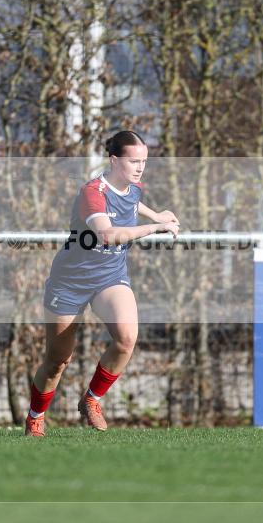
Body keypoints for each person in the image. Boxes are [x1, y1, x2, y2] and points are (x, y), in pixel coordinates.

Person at [25, 130, 180, 437]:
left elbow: (132, 203)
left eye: (144, 161)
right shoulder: (92, 192)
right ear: (113, 160)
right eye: (133, 161)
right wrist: (156, 226)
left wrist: (156, 212)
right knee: (58, 361)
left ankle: (92, 400)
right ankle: (35, 417)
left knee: (126, 338)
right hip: (69, 282)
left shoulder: (133, 187)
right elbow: (107, 234)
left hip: (110, 276)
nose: (140, 168)